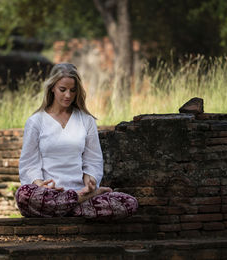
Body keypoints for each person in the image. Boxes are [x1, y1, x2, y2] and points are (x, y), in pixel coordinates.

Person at [15, 63, 138, 219]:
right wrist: (39, 184)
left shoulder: (86, 121)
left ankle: (65, 207)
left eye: (72, 91)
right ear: (52, 87)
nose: (68, 95)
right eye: (63, 89)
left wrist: (90, 180)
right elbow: (29, 164)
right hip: (49, 194)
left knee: (128, 202)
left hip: (78, 191)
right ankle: (76, 204)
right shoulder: (36, 121)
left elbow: (93, 160)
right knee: (24, 194)